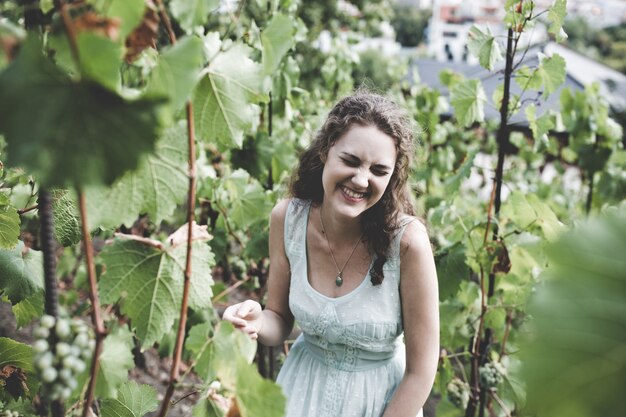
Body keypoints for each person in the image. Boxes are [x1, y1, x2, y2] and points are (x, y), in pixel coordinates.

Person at [223, 91, 439, 417]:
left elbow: (421, 371)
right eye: (351, 161)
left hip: (381, 404)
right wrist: (254, 321)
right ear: (326, 150)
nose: (361, 179)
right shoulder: (288, 219)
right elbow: (278, 320)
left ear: (392, 176)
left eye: (379, 170)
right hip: (299, 394)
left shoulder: (408, 242)